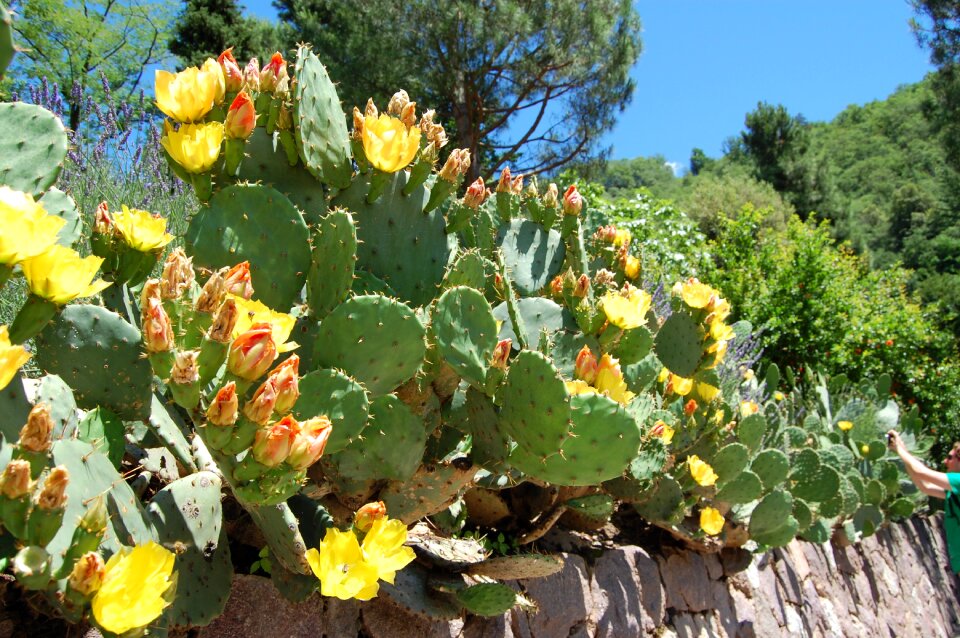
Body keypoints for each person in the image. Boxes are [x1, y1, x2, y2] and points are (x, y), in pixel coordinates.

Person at [887, 429, 960, 573]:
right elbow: (924, 486)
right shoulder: (953, 491)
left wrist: (901, 450)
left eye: (950, 457)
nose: (945, 462)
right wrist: (902, 452)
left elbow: (922, 473)